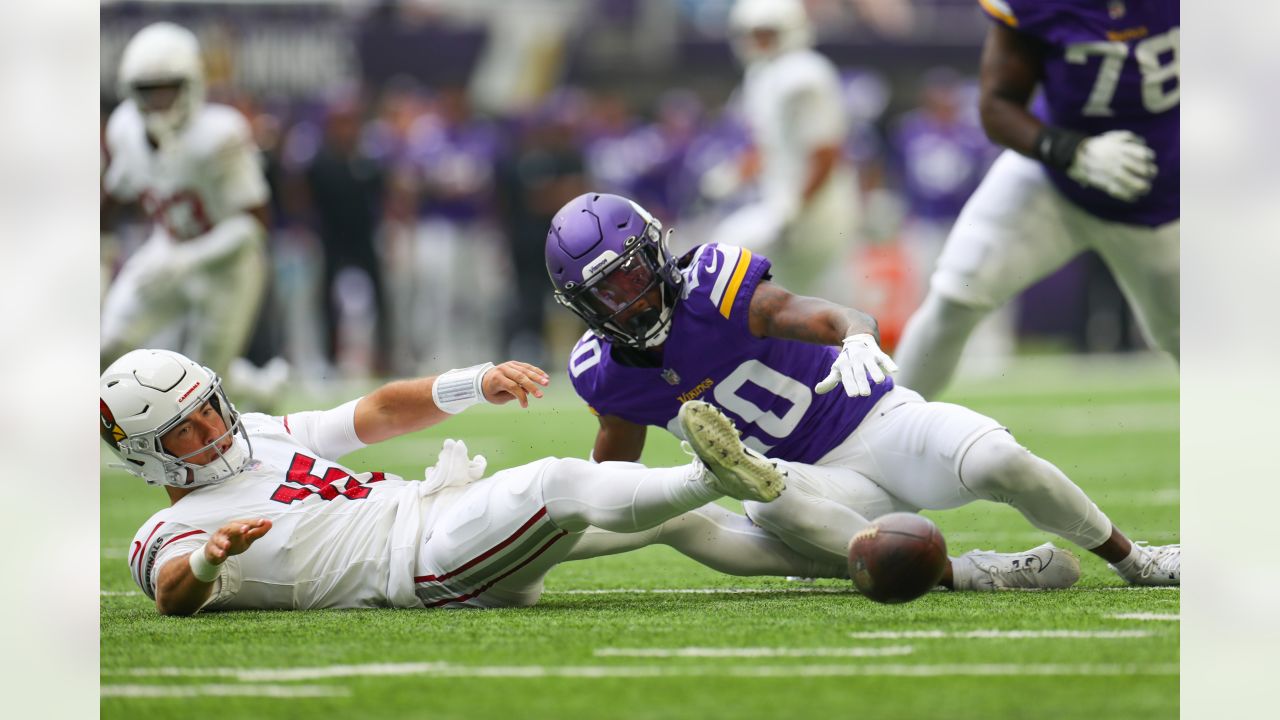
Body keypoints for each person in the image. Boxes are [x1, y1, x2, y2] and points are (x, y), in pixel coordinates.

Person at [544, 192, 1179, 587]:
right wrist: (552, 524)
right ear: (581, 305)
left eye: (631, 278)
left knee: (1001, 459)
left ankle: (1134, 559)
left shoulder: (714, 284)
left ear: (656, 253)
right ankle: (974, 574)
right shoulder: (607, 373)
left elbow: (826, 315)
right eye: (607, 293)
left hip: (876, 424)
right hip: (806, 489)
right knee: (759, 494)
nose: (628, 301)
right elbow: (611, 476)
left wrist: (856, 337)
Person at [104, 349, 812, 615]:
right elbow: (172, 593)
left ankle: (838, 558)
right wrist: (208, 557)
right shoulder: (169, 531)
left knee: (665, 522)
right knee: (560, 483)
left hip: (436, 511)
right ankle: (707, 474)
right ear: (144, 456)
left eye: (206, 411)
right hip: (420, 565)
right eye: (184, 432)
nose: (211, 432)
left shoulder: (260, 432)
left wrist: (475, 382)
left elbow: (376, 413)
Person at [892, 1, 1179, 399]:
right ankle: (883, 428)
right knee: (954, 295)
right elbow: (997, 105)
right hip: (1053, 177)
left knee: (1185, 337)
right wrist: (1072, 152)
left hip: (1162, 196)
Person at [100, 22, 285, 406]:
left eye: (168, 89)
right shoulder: (124, 128)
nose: (159, 102)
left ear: (193, 85)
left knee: (200, 386)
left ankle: (262, 391)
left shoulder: (220, 133)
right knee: (106, 344)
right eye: (148, 92)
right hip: (166, 249)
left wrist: (188, 259)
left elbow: (254, 225)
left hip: (228, 268)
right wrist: (103, 247)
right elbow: (117, 189)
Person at [704, 0, 860, 301]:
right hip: (783, 206)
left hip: (816, 210)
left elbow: (826, 152)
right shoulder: (762, 75)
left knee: (805, 297)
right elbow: (767, 146)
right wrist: (734, 176)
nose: (758, 42)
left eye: (766, 33)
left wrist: (796, 206)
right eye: (753, 34)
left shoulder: (804, 76)